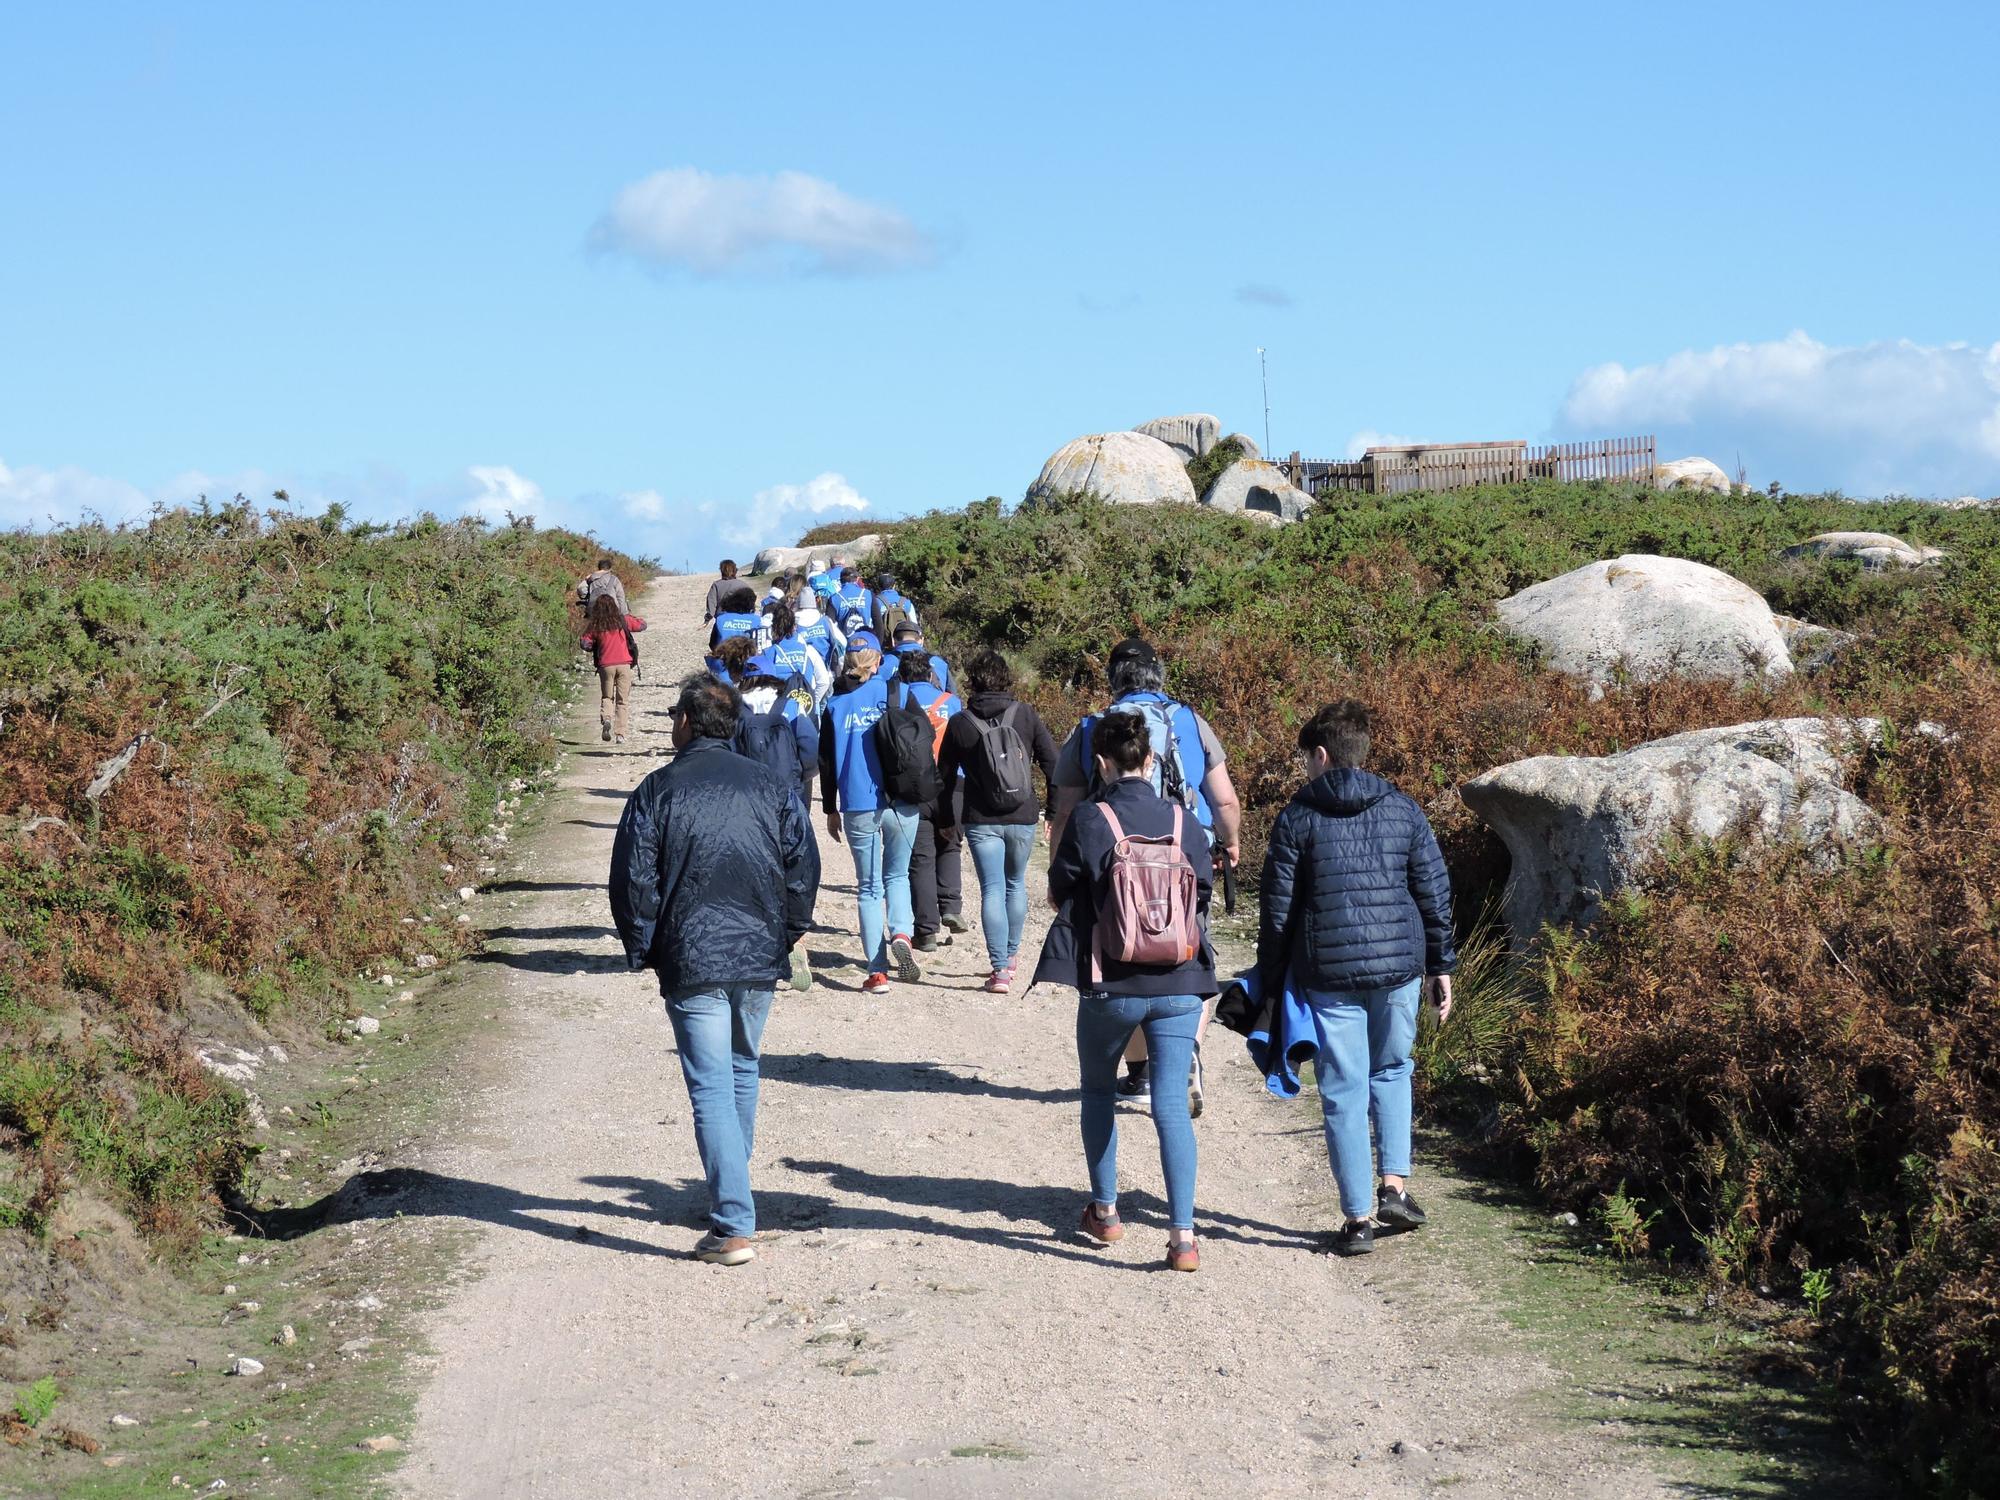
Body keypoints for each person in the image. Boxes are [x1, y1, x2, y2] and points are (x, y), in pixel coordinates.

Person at [608, 674, 820, 1265]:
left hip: (691, 954)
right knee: (742, 1068)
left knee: (710, 1086)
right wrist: (789, 931)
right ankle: (735, 1187)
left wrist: (642, 945)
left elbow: (632, 879)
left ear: (686, 722)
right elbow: (803, 865)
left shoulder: (657, 790)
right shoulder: (772, 787)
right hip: (757, 953)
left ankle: (733, 1222)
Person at [1257, 700, 1456, 1258]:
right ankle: (1394, 1185)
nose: (1304, 770)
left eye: (1305, 759)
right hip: (1399, 970)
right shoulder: (1403, 809)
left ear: (1321, 755)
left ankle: (1357, 1221)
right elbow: (1434, 894)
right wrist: (1441, 965)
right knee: (1393, 1069)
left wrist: (1270, 981)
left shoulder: (1297, 817)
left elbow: (1278, 913)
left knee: (1343, 1090)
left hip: (1328, 974)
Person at [1033, 709, 1217, 1272]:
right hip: (1181, 982)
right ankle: (1183, 1237)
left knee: (1097, 1091)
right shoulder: (1185, 821)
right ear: (1153, 759)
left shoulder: (1092, 818)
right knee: (1169, 1106)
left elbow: (1060, 887)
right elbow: (1203, 890)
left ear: (1103, 763)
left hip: (1111, 981)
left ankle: (1106, 1212)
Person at [1049, 639, 1243, 1112]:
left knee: (1126, 957)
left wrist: (1059, 874)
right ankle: (1186, 1052)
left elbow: (1066, 808)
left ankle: (1140, 1072)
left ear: (1113, 679)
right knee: (1190, 954)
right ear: (1160, 675)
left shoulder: (1093, 728)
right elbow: (1224, 800)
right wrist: (1232, 842)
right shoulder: (1192, 723)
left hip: (1114, 861)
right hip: (1182, 856)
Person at [937, 649, 1058, 992]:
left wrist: (946, 818)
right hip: (1023, 814)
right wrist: (1052, 810)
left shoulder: (960, 722)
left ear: (972, 680)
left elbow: (943, 777)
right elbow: (1053, 763)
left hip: (980, 818)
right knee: (1015, 884)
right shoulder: (1026, 715)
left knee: (992, 889)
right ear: (1007, 677)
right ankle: (1013, 954)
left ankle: (1000, 971)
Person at [817, 642, 923, 993]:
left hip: (858, 802)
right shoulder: (899, 692)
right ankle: (903, 934)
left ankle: (877, 972)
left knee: (868, 887)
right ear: (878, 662)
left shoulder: (834, 705)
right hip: (901, 800)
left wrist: (829, 808)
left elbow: (827, 764)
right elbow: (925, 738)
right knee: (898, 875)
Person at [889, 651, 963, 953]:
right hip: (954, 783)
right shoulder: (952, 702)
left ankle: (926, 930)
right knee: (950, 844)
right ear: (931, 674)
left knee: (920, 859)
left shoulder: (899, 703)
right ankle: (951, 907)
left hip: (915, 784)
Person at [580, 593, 647, 744]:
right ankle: (620, 734)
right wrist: (629, 613)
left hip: (605, 666)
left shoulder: (595, 625)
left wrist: (596, 646)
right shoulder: (623, 620)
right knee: (622, 701)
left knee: (607, 697)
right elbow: (642, 625)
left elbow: (585, 643)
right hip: (624, 664)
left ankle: (606, 719)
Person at [750, 601, 834, 713]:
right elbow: (824, 682)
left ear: (773, 627)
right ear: (795, 626)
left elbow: (763, 690)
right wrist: (812, 702)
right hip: (807, 713)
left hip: (780, 714)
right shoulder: (809, 650)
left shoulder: (769, 653)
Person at [793, 589, 847, 679]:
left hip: (803, 676)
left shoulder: (793, 624)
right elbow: (842, 642)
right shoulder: (825, 620)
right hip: (827, 672)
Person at [710, 583, 770, 657]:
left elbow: (712, 644)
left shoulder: (721, 619)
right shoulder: (758, 621)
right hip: (749, 662)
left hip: (724, 660)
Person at [891, 623, 953, 694]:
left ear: (893, 641)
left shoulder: (881, 661)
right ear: (921, 640)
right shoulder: (940, 663)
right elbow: (952, 695)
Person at [871, 571, 921, 640]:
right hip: (903, 642)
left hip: (884, 643)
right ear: (894, 586)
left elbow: (870, 625)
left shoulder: (875, 602)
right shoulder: (906, 602)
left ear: (879, 586)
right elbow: (915, 626)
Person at [829, 566, 874, 638]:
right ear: (857, 579)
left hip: (846, 642)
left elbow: (830, 625)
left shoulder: (834, 598)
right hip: (866, 640)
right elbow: (878, 621)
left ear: (840, 581)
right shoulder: (868, 594)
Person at [703, 559, 740, 624]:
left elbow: (711, 603)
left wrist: (706, 620)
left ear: (722, 571)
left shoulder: (716, 585)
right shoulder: (743, 585)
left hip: (722, 622)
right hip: (741, 622)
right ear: (735, 570)